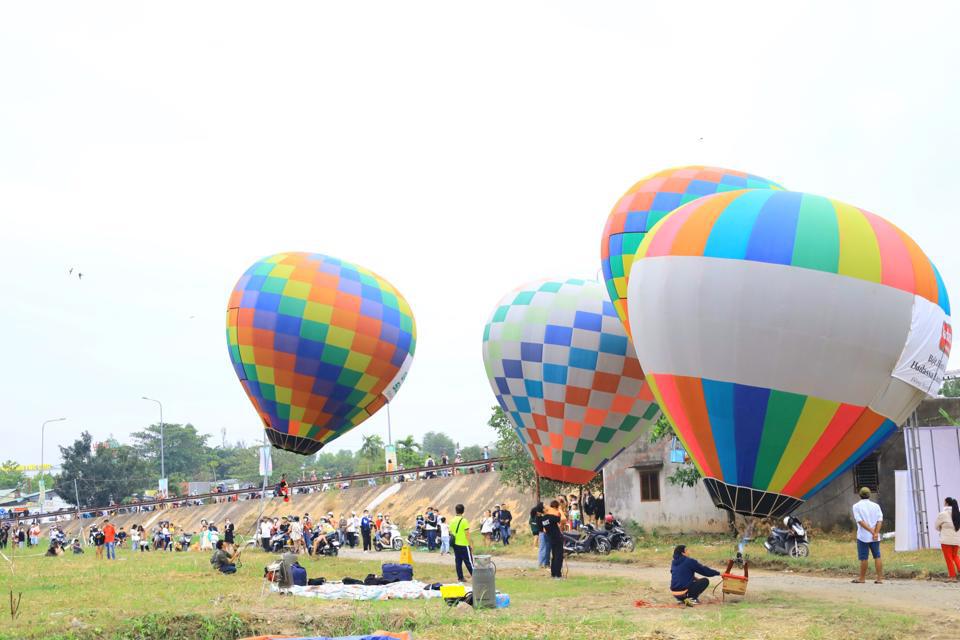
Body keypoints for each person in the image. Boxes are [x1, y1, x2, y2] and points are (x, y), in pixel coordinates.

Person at [852, 487, 884, 584]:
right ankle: (879, 579)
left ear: (859, 494)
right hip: (875, 537)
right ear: (869, 494)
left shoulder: (856, 506)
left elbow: (860, 521)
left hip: (863, 537)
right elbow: (880, 520)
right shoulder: (876, 506)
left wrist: (870, 530)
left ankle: (862, 578)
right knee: (877, 556)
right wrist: (875, 533)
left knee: (864, 558)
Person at [935, 497, 960, 581]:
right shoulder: (958, 514)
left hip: (946, 540)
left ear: (946, 504)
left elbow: (936, 526)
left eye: (944, 502)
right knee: (955, 556)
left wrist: (942, 529)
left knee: (948, 558)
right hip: (956, 540)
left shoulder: (943, 514)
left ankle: (952, 577)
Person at [449, 503, 473, 582]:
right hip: (464, 544)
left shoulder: (452, 520)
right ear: (463, 511)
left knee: (458, 561)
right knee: (469, 561)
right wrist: (470, 544)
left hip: (455, 544)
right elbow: (467, 534)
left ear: (456, 511)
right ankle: (475, 576)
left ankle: (460, 577)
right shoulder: (464, 521)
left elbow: (450, 532)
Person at [541, 501, 564, 578]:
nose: (548, 507)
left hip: (551, 538)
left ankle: (553, 573)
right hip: (557, 538)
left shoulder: (543, 519)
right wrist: (560, 510)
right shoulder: (551, 517)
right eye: (545, 507)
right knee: (559, 556)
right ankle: (558, 574)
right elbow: (562, 519)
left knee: (554, 556)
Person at [530, 502, 549, 569]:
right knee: (543, 549)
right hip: (543, 534)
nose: (546, 507)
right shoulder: (539, 517)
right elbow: (544, 526)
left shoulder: (541, 516)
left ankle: (545, 563)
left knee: (546, 549)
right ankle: (541, 564)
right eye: (544, 506)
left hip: (544, 534)